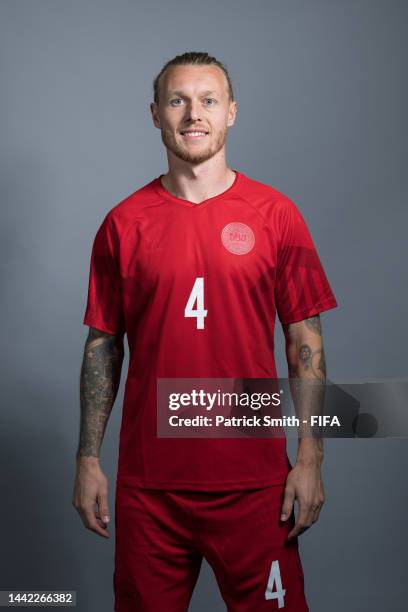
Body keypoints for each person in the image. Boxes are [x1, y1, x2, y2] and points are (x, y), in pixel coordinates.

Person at [72, 51, 338, 611]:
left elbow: (304, 344)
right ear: (155, 114)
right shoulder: (122, 224)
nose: (194, 114)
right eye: (178, 100)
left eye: (208, 100)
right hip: (150, 489)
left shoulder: (278, 215)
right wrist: (88, 460)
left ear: (232, 113)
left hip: (256, 485)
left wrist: (310, 459)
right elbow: (103, 348)